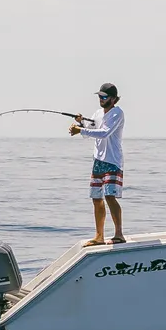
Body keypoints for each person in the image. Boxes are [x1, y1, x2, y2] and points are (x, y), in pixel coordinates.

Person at [71, 82, 126, 246]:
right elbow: (90, 133)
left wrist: (80, 130)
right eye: (99, 96)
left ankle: (119, 234)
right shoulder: (97, 113)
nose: (101, 99)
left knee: (110, 196)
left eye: (104, 97)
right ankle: (99, 237)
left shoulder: (117, 113)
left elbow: (104, 133)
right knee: (96, 198)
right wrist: (82, 124)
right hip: (98, 160)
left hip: (112, 161)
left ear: (114, 99)